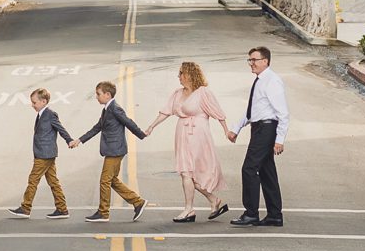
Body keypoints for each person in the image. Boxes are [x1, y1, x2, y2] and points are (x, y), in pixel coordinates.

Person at [145, 61, 231, 223]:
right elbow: (166, 111)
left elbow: (218, 112)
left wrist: (226, 130)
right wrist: (151, 127)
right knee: (186, 173)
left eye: (181, 74)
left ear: (190, 75)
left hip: (198, 134)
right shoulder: (178, 93)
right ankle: (211, 201)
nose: (179, 77)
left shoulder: (203, 92)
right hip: (183, 134)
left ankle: (190, 208)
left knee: (191, 173)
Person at [227, 44, 287, 227]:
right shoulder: (261, 80)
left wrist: (279, 139)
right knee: (267, 172)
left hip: (267, 129)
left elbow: (283, 113)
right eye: (250, 60)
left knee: (249, 169)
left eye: (254, 60)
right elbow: (253, 110)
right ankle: (274, 215)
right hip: (259, 128)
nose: (251, 63)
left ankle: (251, 213)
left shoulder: (272, 81)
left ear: (265, 61)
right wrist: (236, 129)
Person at [74, 80, 149, 223]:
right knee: (112, 180)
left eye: (98, 94)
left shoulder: (115, 108)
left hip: (115, 150)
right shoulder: (107, 109)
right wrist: (79, 140)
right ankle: (138, 202)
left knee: (105, 180)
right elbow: (97, 127)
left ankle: (103, 212)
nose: (96, 97)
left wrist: (141, 134)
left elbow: (128, 122)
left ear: (107, 95)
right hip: (113, 149)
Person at [8, 87, 74, 219]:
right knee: (53, 182)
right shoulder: (41, 115)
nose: (32, 105)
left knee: (33, 179)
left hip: (44, 154)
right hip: (45, 153)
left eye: (34, 102)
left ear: (43, 101)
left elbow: (60, 129)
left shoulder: (50, 114)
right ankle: (62, 209)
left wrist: (69, 140)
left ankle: (25, 208)